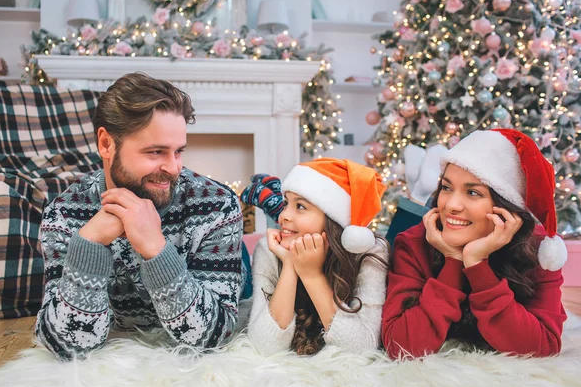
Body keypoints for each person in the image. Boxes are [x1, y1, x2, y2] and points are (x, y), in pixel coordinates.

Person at [36, 73, 245, 361]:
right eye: (156, 152)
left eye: (178, 151)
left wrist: (156, 249)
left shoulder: (216, 205)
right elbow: (66, 345)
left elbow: (213, 336)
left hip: (225, 267)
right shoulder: (65, 213)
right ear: (106, 144)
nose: (173, 168)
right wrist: (89, 244)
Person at [382, 128, 568, 359]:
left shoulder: (540, 251)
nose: (451, 205)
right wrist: (453, 261)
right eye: (447, 188)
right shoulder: (413, 243)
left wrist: (477, 265)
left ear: (507, 206)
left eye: (473, 192)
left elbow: (542, 347)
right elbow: (401, 346)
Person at [248, 158, 390, 356]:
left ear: (332, 219)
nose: (283, 217)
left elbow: (362, 348)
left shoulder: (369, 253)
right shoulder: (270, 250)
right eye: (286, 203)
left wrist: (312, 275)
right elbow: (264, 347)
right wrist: (290, 265)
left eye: (300, 207)